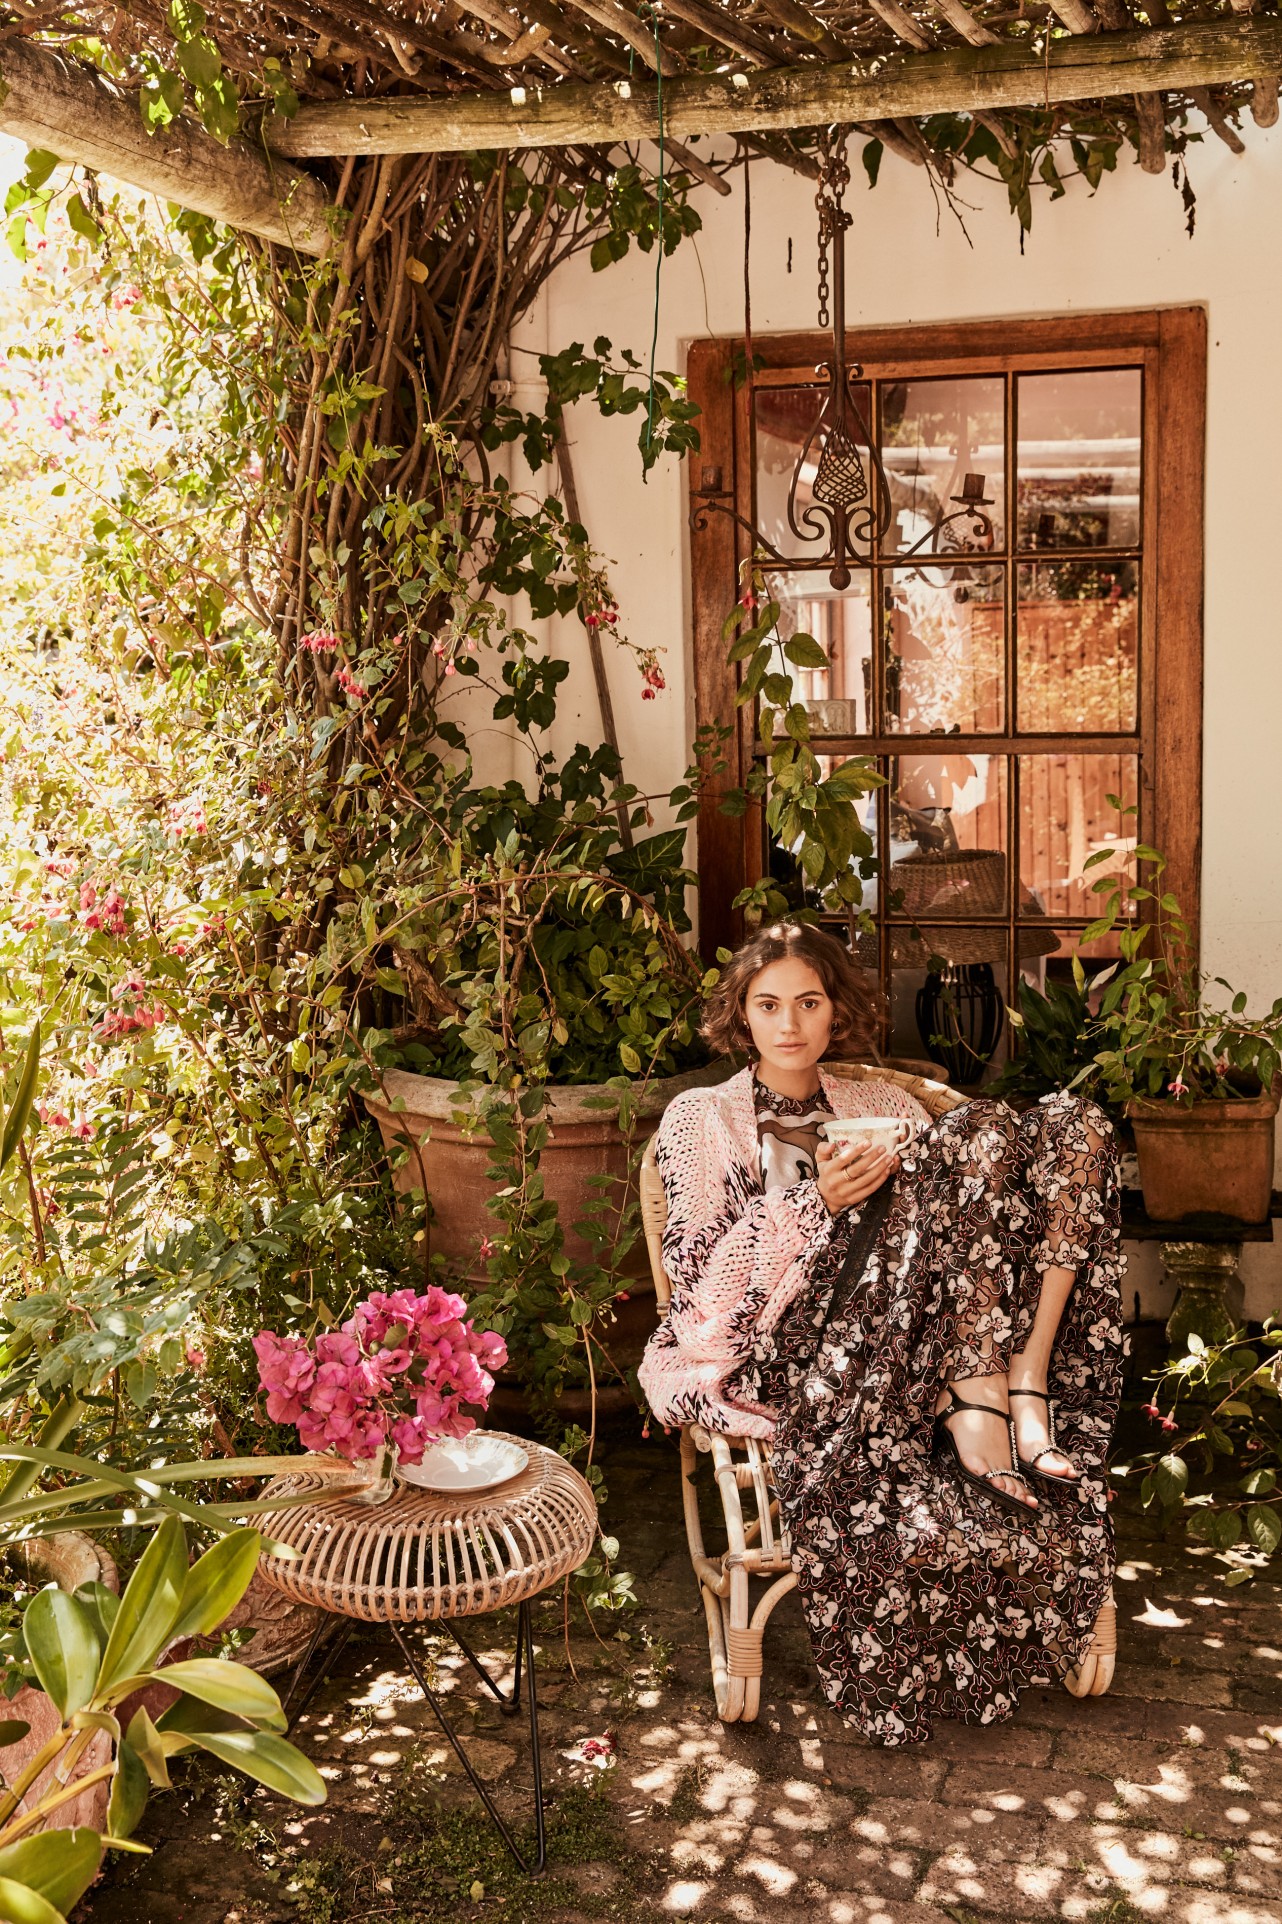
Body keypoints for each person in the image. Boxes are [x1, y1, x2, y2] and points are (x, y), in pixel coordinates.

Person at [637, 921, 1125, 1747]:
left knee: (1074, 1124)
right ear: (742, 1016)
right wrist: (815, 1203)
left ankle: (1023, 1382)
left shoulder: (887, 1109)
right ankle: (979, 1398)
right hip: (794, 1345)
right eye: (767, 1005)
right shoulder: (701, 1118)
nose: (789, 1024)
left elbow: (971, 1227)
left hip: (917, 1327)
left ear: (835, 1012)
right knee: (979, 1128)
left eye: (808, 1002)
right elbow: (699, 1292)